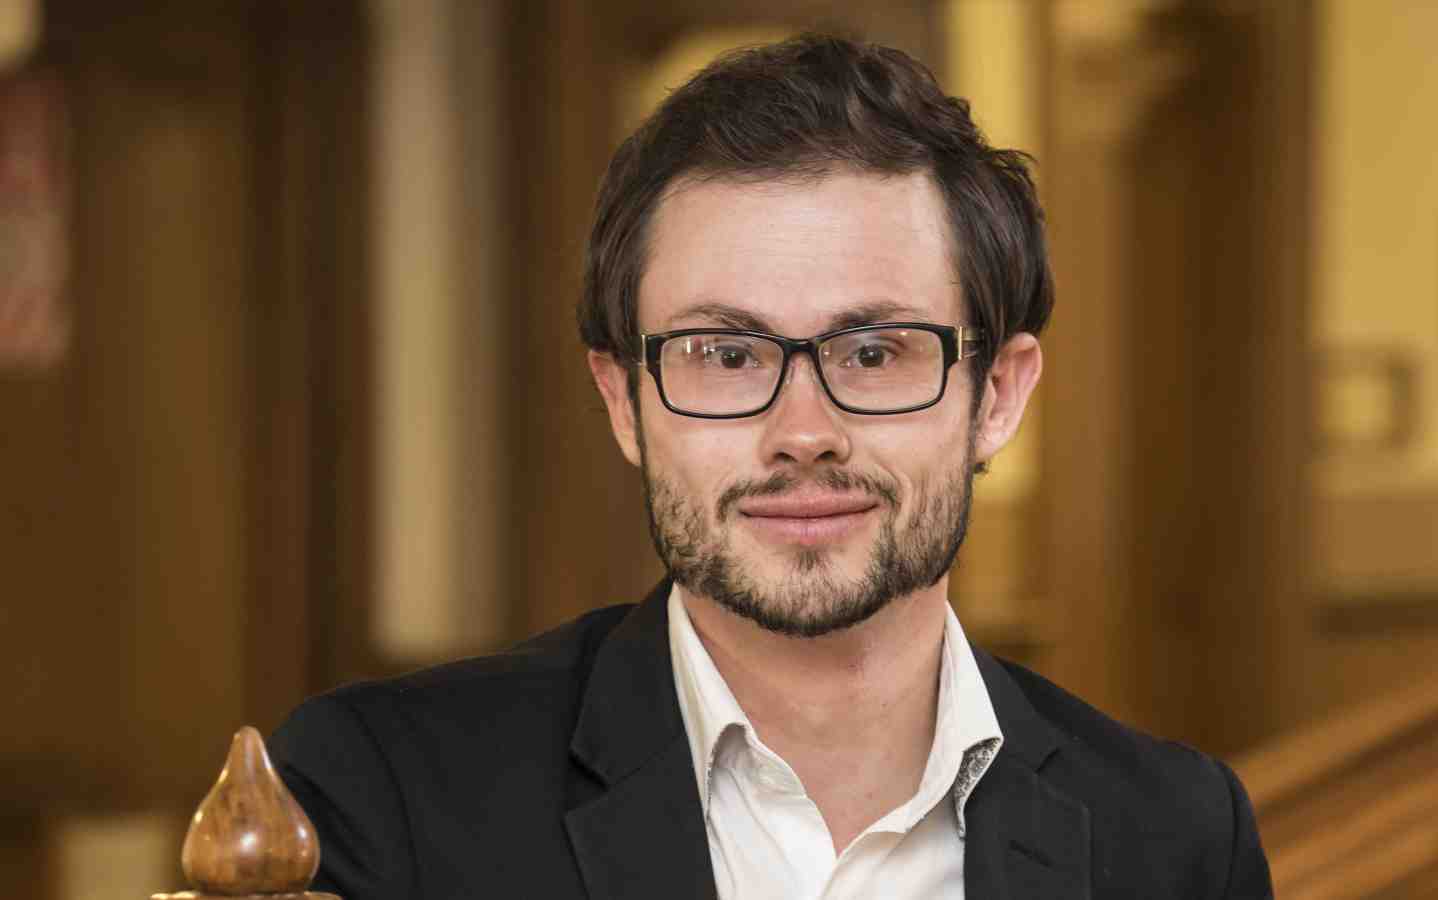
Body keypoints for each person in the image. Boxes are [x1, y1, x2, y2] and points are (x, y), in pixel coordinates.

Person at [269, 34, 1273, 899]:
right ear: (624, 400)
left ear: (996, 396)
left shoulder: (1174, 838)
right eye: (726, 355)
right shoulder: (385, 796)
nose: (804, 430)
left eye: (873, 353)